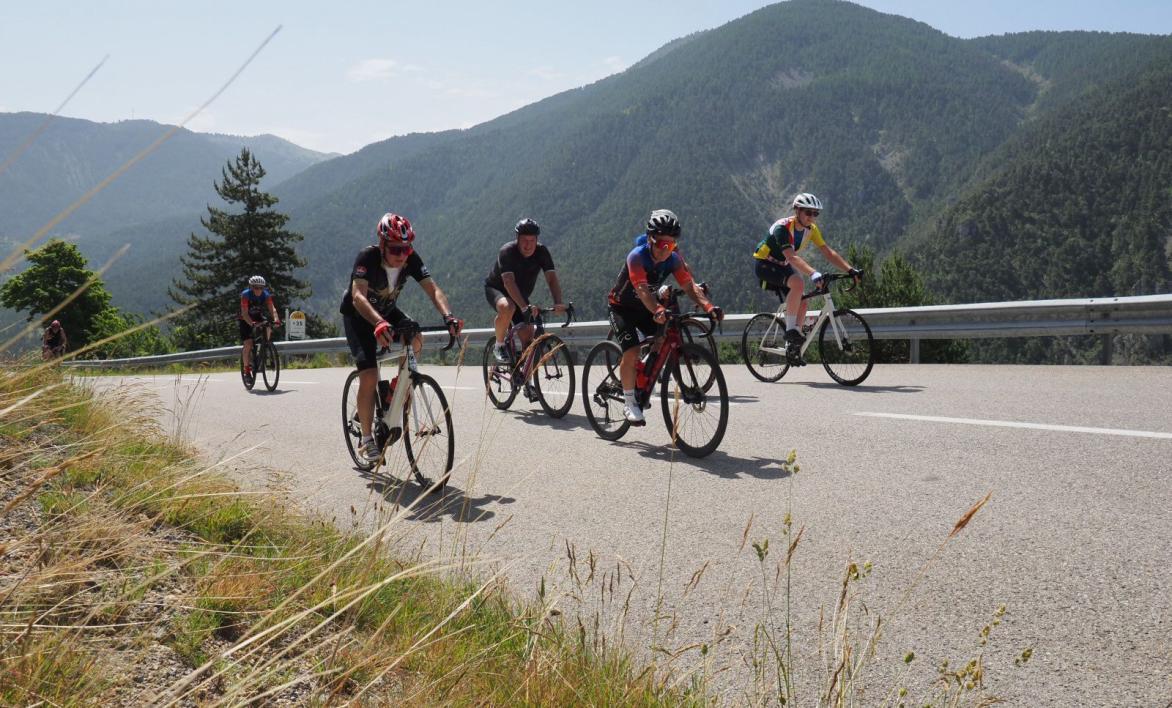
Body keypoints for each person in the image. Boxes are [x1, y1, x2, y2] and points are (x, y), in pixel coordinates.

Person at [340, 212, 463, 465]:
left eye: (406, 249)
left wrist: (448, 315)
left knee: (416, 338)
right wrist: (378, 323)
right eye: (396, 249)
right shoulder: (367, 258)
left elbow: (434, 289)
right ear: (382, 244)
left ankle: (395, 390)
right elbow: (358, 297)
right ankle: (366, 439)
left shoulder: (410, 259)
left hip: (386, 311)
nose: (401, 255)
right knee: (370, 375)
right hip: (359, 316)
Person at [607, 209, 722, 425]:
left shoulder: (673, 259)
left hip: (645, 308)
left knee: (662, 339)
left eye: (671, 245)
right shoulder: (637, 257)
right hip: (621, 308)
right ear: (650, 239)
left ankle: (642, 378)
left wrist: (708, 306)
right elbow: (642, 290)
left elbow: (688, 286)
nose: (665, 250)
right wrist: (658, 310)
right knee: (631, 351)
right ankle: (629, 402)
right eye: (661, 244)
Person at [752, 193, 861, 365]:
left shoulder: (811, 230)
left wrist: (850, 269)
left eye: (815, 214)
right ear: (797, 211)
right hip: (765, 263)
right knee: (798, 282)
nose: (812, 217)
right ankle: (790, 332)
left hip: (782, 263)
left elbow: (828, 252)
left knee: (803, 300)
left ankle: (792, 347)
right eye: (808, 213)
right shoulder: (783, 228)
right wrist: (813, 273)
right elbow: (792, 257)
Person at [485, 218, 568, 398]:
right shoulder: (507, 251)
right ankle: (499, 345)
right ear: (517, 238)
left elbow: (552, 279)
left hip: (520, 296)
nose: (528, 244)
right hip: (497, 289)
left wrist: (558, 302)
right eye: (524, 240)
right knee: (508, 307)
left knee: (528, 337)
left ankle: (527, 382)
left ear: (537, 240)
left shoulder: (542, 252)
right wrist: (525, 307)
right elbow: (508, 282)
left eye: (532, 240)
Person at [239, 275, 281, 384]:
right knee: (248, 344)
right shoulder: (245, 295)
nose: (259, 290)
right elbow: (244, 313)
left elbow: (272, 308)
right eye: (256, 288)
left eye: (261, 288)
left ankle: (265, 345)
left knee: (268, 326)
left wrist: (276, 319)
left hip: (257, 316)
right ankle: (247, 370)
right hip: (245, 318)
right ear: (251, 287)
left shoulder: (266, 295)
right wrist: (251, 323)